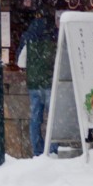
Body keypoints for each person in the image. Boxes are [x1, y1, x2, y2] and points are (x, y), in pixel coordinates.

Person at [18, 12, 58, 158]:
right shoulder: (53, 35)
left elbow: (20, 62)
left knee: (35, 118)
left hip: (33, 84)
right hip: (49, 82)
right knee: (52, 118)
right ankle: (53, 150)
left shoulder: (27, 37)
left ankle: (37, 150)